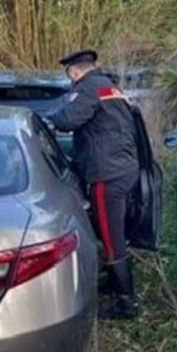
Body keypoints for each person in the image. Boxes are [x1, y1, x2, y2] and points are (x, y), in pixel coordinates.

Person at [48, 49, 141, 319]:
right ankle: (114, 283)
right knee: (113, 229)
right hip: (124, 167)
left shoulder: (88, 88)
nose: (71, 79)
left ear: (74, 71)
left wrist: (47, 118)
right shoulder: (109, 87)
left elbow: (68, 120)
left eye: (70, 74)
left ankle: (127, 304)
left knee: (111, 235)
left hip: (106, 173)